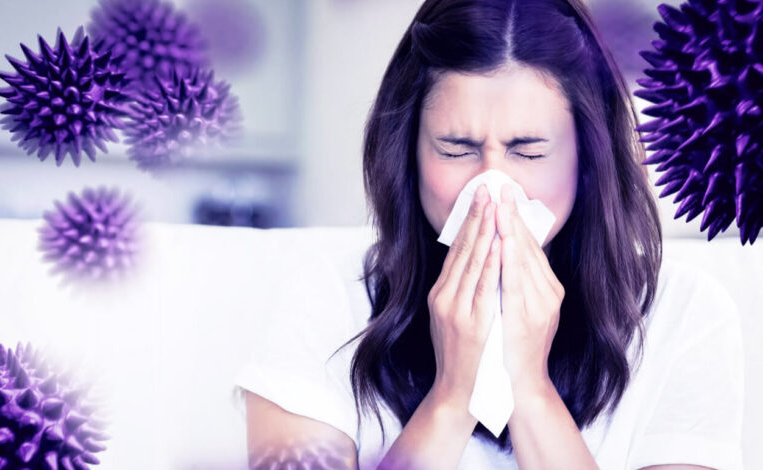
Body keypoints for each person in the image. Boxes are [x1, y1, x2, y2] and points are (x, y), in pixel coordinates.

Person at [235, 0, 745, 469]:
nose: (492, 188)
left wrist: (529, 388)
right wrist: (452, 396)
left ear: (588, 158)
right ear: (408, 153)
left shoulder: (683, 314)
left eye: (529, 151)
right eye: (456, 149)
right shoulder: (325, 300)